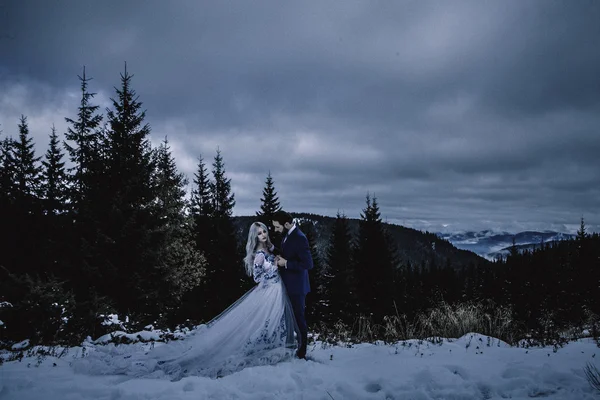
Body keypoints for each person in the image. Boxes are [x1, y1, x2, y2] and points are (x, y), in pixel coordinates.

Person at [73, 222, 298, 380]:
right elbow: (257, 277)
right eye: (259, 233)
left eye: (265, 231)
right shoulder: (259, 253)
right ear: (254, 237)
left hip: (276, 290)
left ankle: (273, 344)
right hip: (268, 291)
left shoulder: (268, 248)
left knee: (273, 321)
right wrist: (272, 268)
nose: (264, 235)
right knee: (258, 322)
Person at [271, 210, 314, 359]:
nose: (275, 230)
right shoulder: (287, 235)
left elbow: (308, 264)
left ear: (287, 224)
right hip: (288, 285)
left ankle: (302, 353)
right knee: (289, 319)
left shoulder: (300, 238)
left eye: (277, 227)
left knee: (298, 318)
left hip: (297, 287)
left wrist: (286, 263)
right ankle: (290, 347)